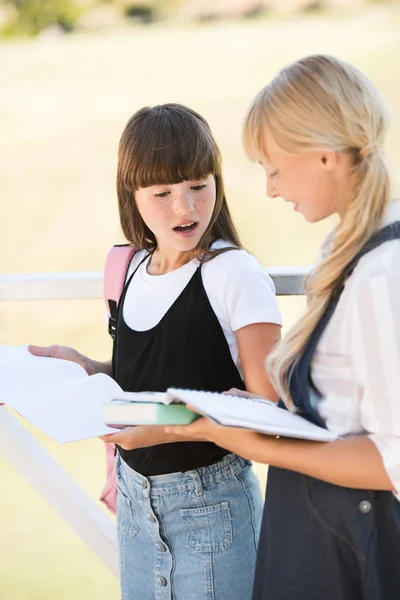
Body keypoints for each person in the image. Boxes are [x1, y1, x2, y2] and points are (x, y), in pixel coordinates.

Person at [165, 56, 400, 599]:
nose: (270, 189)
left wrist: (247, 441)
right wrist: (263, 415)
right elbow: (344, 410)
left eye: (273, 168)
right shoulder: (344, 252)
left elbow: (392, 460)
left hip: (353, 550)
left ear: (324, 153)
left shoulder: (383, 272)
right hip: (315, 532)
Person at [29, 103, 282, 600]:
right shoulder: (129, 269)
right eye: (162, 193)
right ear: (133, 194)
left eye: (198, 186)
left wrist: (165, 426)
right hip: (136, 503)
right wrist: (91, 369)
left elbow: (269, 409)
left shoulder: (234, 272)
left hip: (211, 506)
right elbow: (147, 378)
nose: (184, 208)